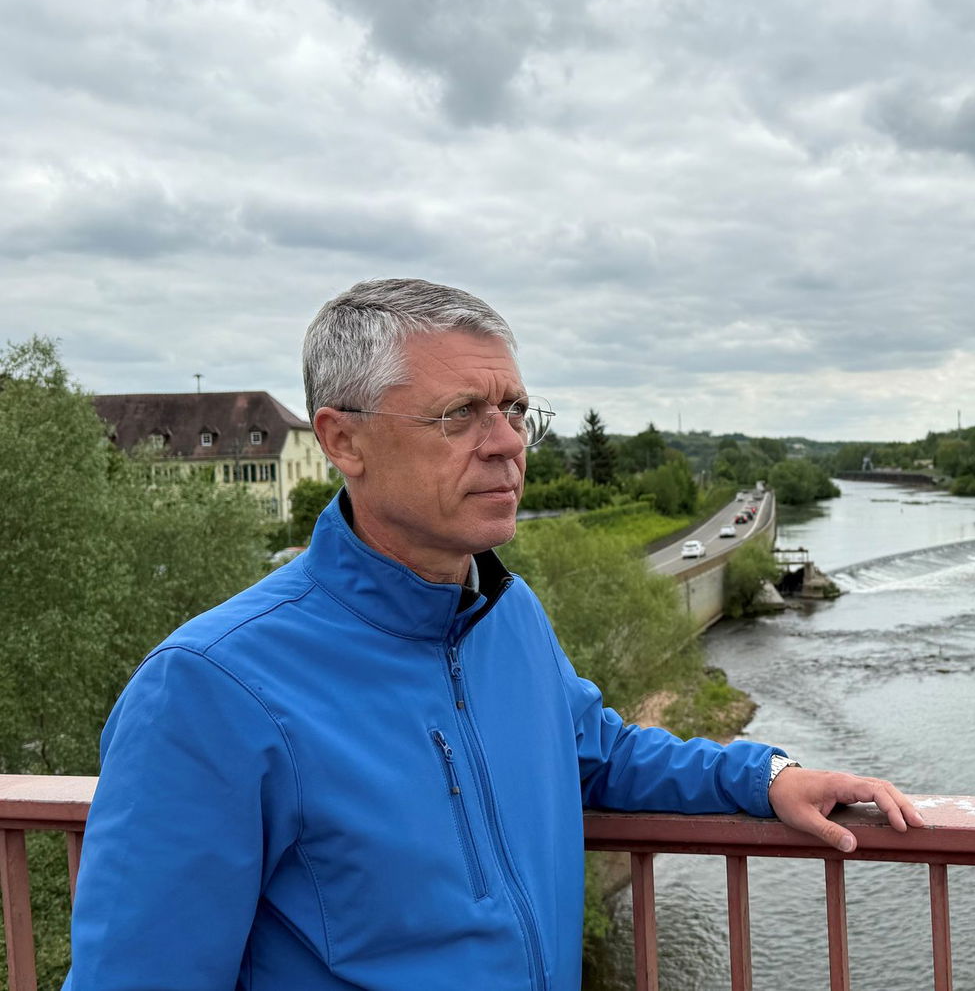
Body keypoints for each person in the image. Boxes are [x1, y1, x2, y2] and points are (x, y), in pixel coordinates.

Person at [64, 278, 923, 990]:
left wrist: (767, 776)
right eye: (462, 414)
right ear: (343, 440)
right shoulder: (211, 689)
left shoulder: (505, 614)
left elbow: (600, 755)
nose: (508, 443)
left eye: (515, 409)